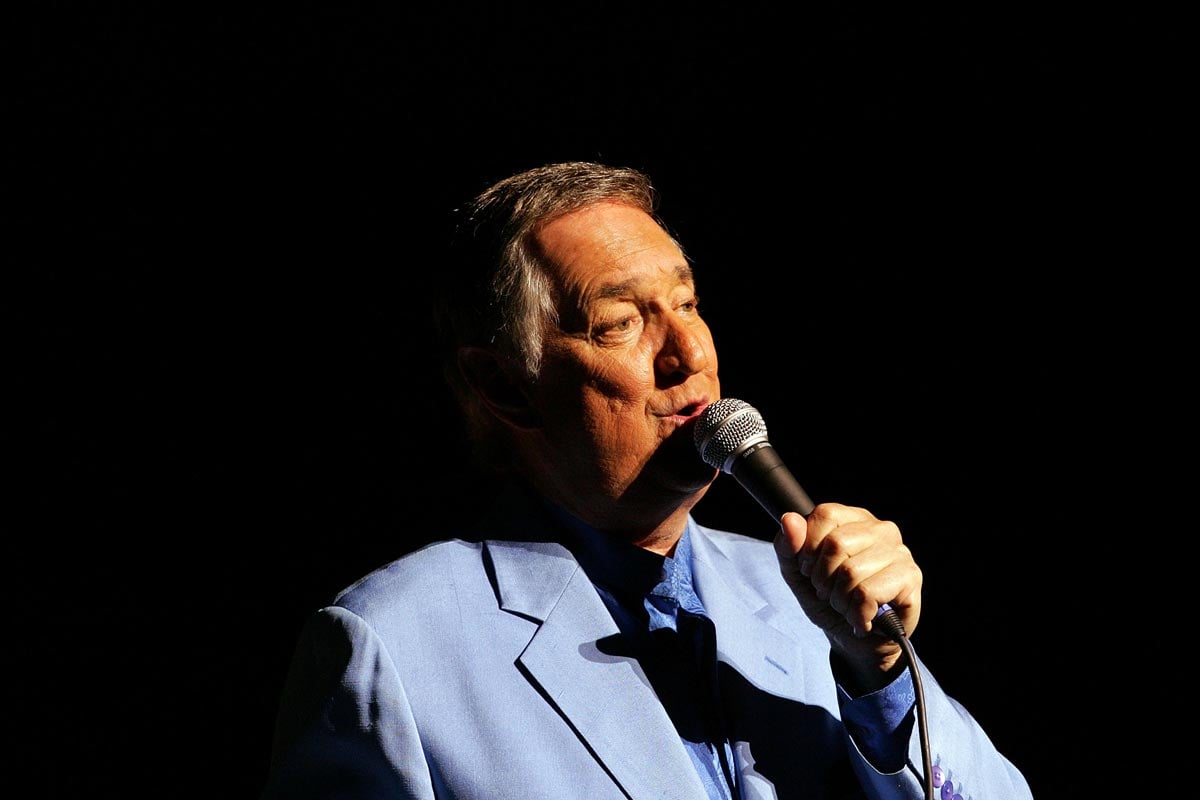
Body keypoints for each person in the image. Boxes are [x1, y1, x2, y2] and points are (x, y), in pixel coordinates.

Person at [260, 161, 1033, 799]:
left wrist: (882, 676)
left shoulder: (813, 597)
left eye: (687, 302)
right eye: (621, 321)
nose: (690, 353)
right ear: (504, 386)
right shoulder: (390, 646)